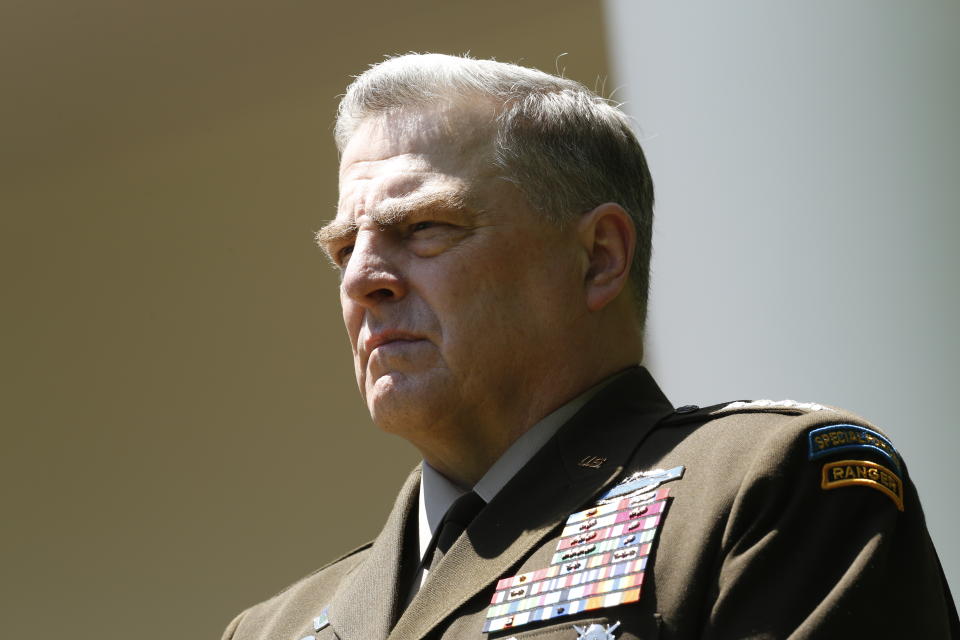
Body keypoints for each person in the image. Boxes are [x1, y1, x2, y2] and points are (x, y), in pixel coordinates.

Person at [222, 54, 958, 640]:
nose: (363, 280)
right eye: (345, 245)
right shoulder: (271, 628)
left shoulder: (758, 489)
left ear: (600, 256)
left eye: (423, 228)